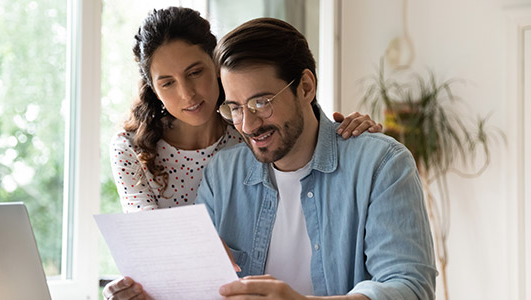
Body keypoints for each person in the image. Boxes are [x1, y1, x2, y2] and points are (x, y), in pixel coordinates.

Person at [104, 7, 383, 300]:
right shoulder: (132, 149)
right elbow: (150, 248)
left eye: (196, 72)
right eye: (167, 83)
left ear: (217, 66)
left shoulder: (249, 132)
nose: (187, 94)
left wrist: (355, 140)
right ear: (154, 89)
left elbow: (300, 120)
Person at [194, 18, 437, 300]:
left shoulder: (381, 165)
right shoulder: (222, 175)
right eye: (235, 108)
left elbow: (410, 287)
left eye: (261, 102)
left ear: (306, 87)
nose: (248, 125)